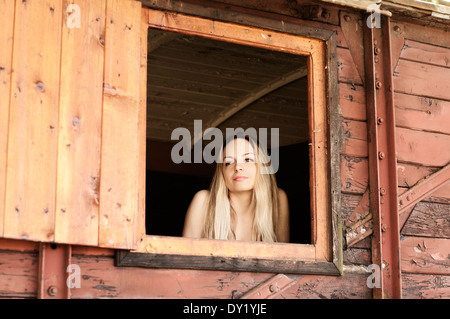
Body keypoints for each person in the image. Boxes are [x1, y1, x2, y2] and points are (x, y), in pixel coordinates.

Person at [182, 134, 289, 243]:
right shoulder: (204, 201)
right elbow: (183, 256)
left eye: (248, 159)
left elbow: (286, 256)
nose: (237, 167)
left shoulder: (277, 199)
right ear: (222, 172)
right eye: (228, 162)